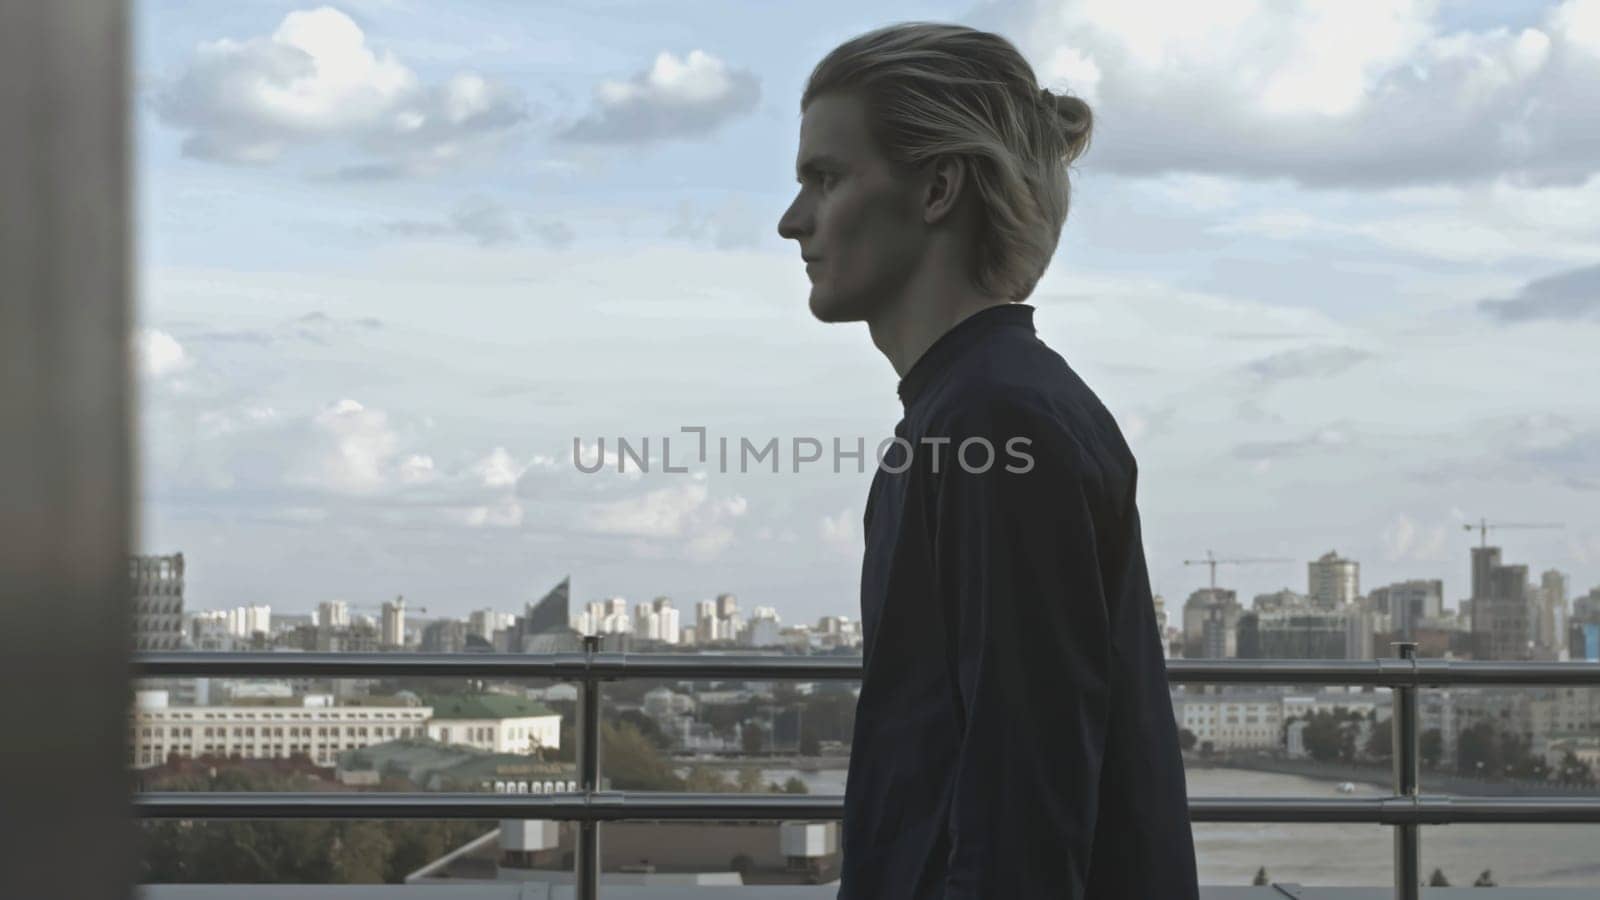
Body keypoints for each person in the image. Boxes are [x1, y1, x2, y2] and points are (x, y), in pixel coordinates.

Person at [777, 22, 1200, 899]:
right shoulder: (975, 411)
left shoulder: (996, 422)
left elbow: (1024, 795)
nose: (793, 222)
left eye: (826, 177)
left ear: (938, 188)